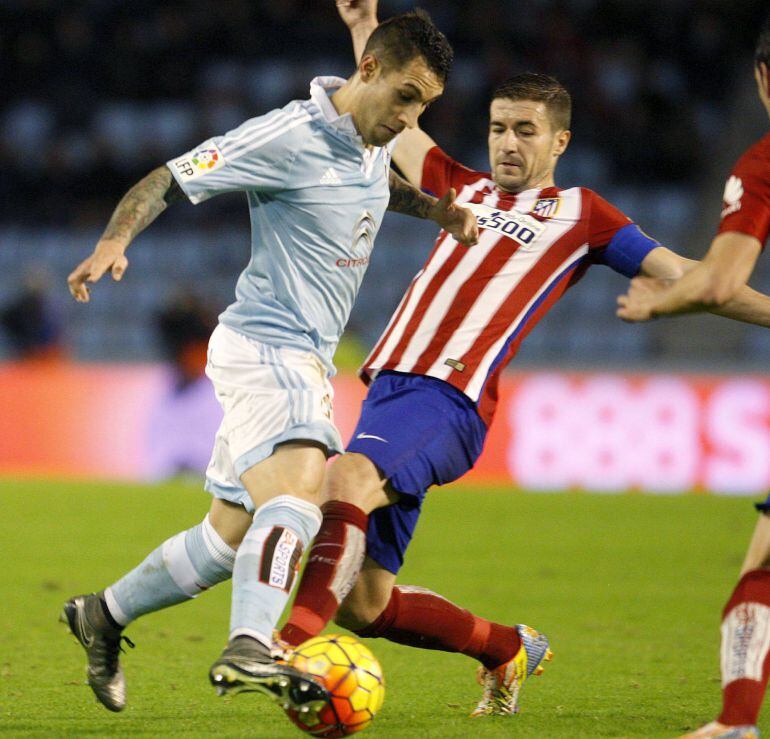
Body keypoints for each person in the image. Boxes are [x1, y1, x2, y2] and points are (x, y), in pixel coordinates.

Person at [273, 0, 770, 720]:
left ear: (559, 140)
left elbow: (691, 273)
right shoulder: (463, 186)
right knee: (364, 604)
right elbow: (395, 121)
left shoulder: (583, 215)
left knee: (345, 476)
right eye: (499, 127)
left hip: (449, 397)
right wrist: (361, 31)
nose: (508, 142)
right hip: (389, 394)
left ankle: (284, 646)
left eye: (525, 131)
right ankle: (506, 647)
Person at [61, 10, 478, 715]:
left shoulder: (372, 137)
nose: (411, 119)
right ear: (369, 71)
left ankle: (101, 612)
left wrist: (438, 212)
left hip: (303, 357)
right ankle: (252, 642)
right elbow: (169, 176)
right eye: (407, 98)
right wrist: (113, 240)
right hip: (266, 345)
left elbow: (378, 187)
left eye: (425, 107)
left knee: (226, 539)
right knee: (303, 491)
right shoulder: (290, 135)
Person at [618, 19, 770, 739]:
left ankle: (736, 724)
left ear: (763, 79)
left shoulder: (763, 162)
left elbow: (720, 282)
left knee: (762, 572)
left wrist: (662, 297)